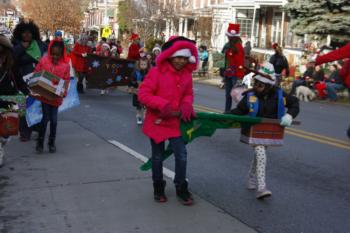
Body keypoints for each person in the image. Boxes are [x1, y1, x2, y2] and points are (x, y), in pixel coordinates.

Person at [138, 36, 198, 205]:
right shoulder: (156, 72)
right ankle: (158, 186)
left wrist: (187, 104)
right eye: (178, 57)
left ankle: (181, 186)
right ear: (170, 56)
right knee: (157, 157)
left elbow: (188, 93)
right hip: (157, 121)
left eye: (185, 58)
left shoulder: (187, 74)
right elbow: (143, 94)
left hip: (176, 123)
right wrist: (162, 105)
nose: (181, 61)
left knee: (182, 155)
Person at [228, 62, 299, 199]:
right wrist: (223, 116)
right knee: (260, 152)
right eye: (256, 83)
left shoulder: (279, 94)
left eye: (261, 84)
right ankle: (262, 187)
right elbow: (239, 111)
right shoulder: (249, 96)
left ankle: (250, 177)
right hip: (254, 131)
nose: (257, 86)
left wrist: (289, 115)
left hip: (270, 131)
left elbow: (295, 103)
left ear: (268, 85)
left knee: (259, 155)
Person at [12, 20, 47, 142]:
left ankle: (37, 128)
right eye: (24, 33)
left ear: (33, 34)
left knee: (37, 106)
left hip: (38, 80)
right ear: (20, 34)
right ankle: (24, 132)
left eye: (29, 33)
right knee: (23, 107)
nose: (27, 35)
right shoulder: (15, 44)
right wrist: (22, 47)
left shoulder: (40, 45)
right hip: (21, 81)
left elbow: (47, 56)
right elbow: (12, 58)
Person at [33, 40, 70, 153]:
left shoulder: (65, 66)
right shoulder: (44, 61)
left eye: (57, 55)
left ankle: (51, 143)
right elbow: (36, 72)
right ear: (49, 52)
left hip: (56, 98)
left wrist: (63, 92)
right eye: (53, 54)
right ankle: (40, 143)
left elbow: (66, 80)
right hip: (44, 96)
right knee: (45, 120)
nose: (55, 56)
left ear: (61, 54)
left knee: (54, 121)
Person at [0, 34, 30, 167]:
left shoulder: (11, 64)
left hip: (8, 100)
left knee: (6, 133)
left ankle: (1, 144)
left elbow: (19, 79)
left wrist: (25, 92)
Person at [222, 23, 245, 112]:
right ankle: (226, 112)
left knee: (237, 95)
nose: (227, 37)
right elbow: (226, 60)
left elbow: (240, 62)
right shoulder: (229, 46)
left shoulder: (238, 47)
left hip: (236, 74)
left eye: (229, 36)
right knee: (228, 95)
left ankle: (240, 112)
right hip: (228, 73)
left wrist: (239, 76)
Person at [130, 58, 150, 124]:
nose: (143, 65)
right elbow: (132, 80)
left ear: (147, 65)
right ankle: (138, 116)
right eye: (142, 64)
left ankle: (145, 116)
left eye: (145, 64)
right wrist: (133, 84)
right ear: (139, 65)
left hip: (146, 91)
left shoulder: (149, 72)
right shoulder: (136, 72)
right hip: (137, 91)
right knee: (138, 105)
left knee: (146, 105)